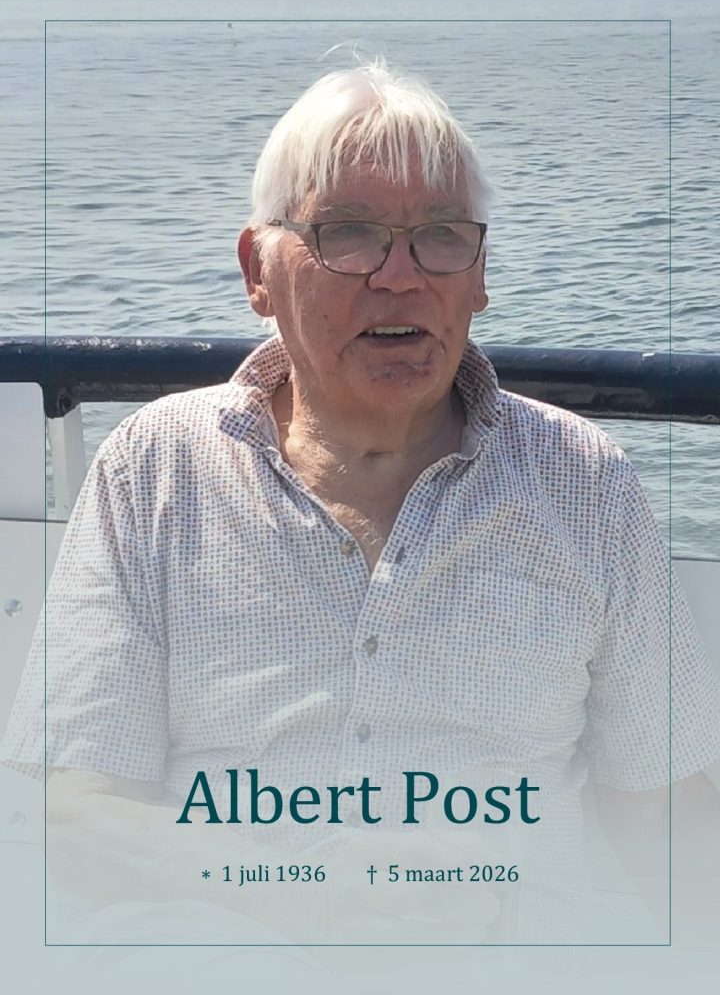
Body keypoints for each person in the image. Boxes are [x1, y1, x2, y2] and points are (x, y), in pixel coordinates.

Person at [1, 58, 719, 959]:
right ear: (258, 270)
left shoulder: (586, 484)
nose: (401, 276)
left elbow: (666, 818)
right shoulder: (154, 469)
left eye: (442, 236)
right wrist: (305, 900)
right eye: (349, 234)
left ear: (481, 273)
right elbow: (78, 809)